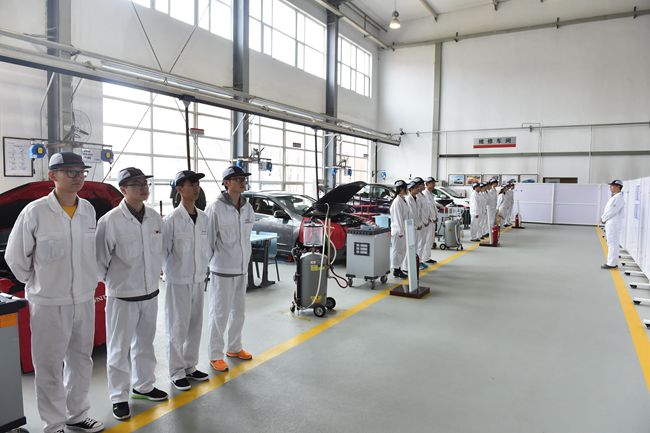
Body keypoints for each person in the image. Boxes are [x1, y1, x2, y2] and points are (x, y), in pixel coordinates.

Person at [6, 152, 104, 433]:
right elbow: (15, 256)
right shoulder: (35, 211)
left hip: (83, 299)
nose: (77, 177)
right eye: (69, 171)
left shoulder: (88, 210)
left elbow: (90, 254)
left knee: (80, 360)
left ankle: (77, 415)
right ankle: (54, 424)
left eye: (81, 172)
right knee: (49, 366)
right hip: (48, 303)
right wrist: (38, 284)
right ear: (52, 175)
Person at [96, 167, 168, 421]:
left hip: (150, 293)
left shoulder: (155, 218)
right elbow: (99, 262)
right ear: (123, 189)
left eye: (145, 183)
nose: (143, 188)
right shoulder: (110, 221)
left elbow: (159, 252)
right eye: (136, 184)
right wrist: (117, 283)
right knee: (119, 348)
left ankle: (144, 386)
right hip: (122, 296)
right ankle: (118, 396)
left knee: (145, 343)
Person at [163, 170, 212, 391]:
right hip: (178, 281)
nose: (195, 188)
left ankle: (190, 365)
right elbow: (163, 253)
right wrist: (172, 274)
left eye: (197, 184)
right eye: (191, 184)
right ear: (179, 189)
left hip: (198, 280)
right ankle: (176, 371)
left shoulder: (204, 218)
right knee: (177, 327)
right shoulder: (171, 220)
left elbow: (206, 248)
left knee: (195, 324)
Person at [205, 166, 256, 372]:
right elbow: (208, 242)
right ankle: (215, 355)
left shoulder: (247, 207)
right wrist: (207, 269)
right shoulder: (215, 208)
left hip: (242, 269)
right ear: (226, 182)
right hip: (222, 270)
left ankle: (234, 347)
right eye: (237, 179)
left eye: (243, 179)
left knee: (239, 313)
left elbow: (246, 238)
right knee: (219, 314)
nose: (242, 182)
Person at [601, 180, 626, 269]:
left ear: (618, 187)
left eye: (612, 186)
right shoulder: (615, 197)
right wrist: (604, 218)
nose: (610, 187)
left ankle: (611, 263)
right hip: (611, 222)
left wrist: (603, 218)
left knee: (612, 243)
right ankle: (614, 262)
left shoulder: (618, 198)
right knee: (612, 242)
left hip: (613, 223)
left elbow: (612, 211)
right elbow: (609, 210)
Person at [389, 180, 410, 279]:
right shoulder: (397, 201)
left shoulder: (402, 199)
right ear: (401, 189)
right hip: (398, 231)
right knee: (397, 251)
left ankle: (399, 268)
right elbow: (398, 218)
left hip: (402, 230)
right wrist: (401, 231)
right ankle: (396, 270)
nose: (407, 190)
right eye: (406, 188)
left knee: (402, 250)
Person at [404, 180, 423, 271]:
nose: (418, 189)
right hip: (411, 227)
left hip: (417, 226)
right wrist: (415, 225)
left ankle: (412, 266)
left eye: (417, 187)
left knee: (414, 247)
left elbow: (418, 214)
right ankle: (406, 267)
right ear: (410, 189)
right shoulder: (408, 199)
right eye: (415, 188)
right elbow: (411, 215)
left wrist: (419, 224)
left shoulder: (417, 199)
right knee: (409, 248)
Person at [421, 177, 438, 264]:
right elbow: (425, 209)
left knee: (430, 240)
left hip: (432, 221)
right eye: (432, 183)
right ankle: (424, 258)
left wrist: (435, 217)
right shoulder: (424, 194)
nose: (434, 184)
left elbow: (433, 207)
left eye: (434, 183)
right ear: (427, 184)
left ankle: (427, 257)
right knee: (426, 240)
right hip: (428, 222)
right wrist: (430, 219)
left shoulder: (430, 194)